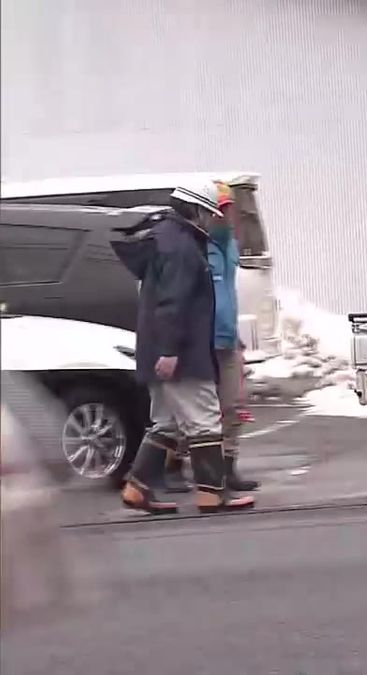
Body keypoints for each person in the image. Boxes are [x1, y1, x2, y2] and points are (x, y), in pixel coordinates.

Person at [110, 181, 255, 514]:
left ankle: (137, 488)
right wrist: (172, 351)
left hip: (158, 349)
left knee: (166, 422)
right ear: (198, 210)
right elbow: (173, 302)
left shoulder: (164, 238)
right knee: (204, 420)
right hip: (182, 353)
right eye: (210, 213)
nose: (212, 220)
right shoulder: (182, 247)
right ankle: (212, 493)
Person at [162, 182, 259, 493]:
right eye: (223, 210)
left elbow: (227, 292)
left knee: (232, 406)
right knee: (194, 411)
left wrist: (235, 335)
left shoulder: (229, 245)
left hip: (226, 340)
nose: (228, 217)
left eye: (231, 209)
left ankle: (228, 467)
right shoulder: (194, 244)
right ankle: (174, 465)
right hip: (200, 340)